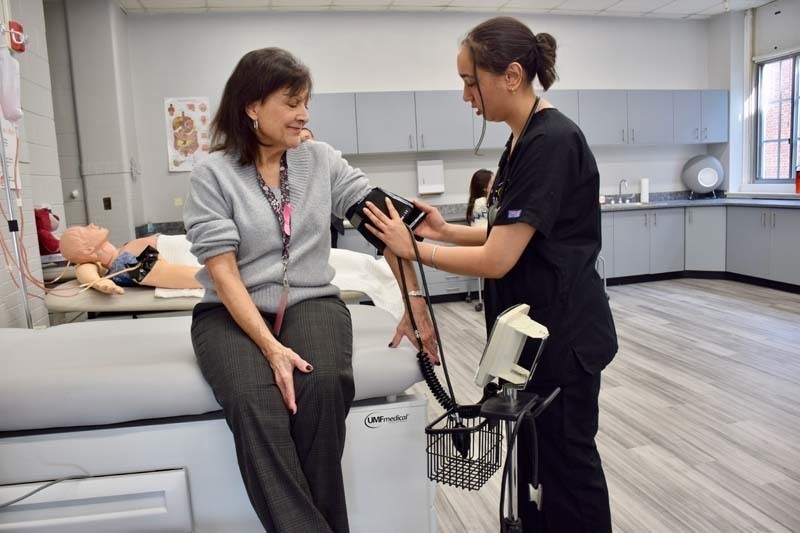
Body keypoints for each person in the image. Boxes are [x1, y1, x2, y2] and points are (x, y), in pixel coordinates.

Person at [362, 16, 617, 533]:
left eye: (468, 80)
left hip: (562, 340)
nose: (465, 95)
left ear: (512, 75)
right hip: (529, 340)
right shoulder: (519, 141)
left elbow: (500, 258)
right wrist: (445, 232)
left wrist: (414, 248)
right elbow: (509, 234)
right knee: (535, 469)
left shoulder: (552, 142)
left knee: (568, 472)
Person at [182, 48, 437, 533]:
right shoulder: (211, 175)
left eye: (306, 102)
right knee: (252, 397)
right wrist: (271, 348)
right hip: (229, 312)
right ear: (252, 106)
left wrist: (414, 300)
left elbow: (386, 226)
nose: (304, 115)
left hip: (311, 300)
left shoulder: (322, 161)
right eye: (292, 102)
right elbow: (225, 274)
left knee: (322, 383)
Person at [59, 224, 202, 294]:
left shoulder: (122, 256)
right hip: (208, 254)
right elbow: (175, 275)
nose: (91, 225)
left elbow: (89, 268)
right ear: (89, 250)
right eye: (85, 230)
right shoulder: (126, 264)